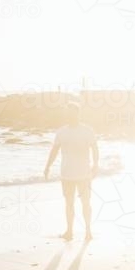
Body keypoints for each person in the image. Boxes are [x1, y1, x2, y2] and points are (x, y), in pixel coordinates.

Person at [44, 103, 99, 241]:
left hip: (84, 174)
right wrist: (47, 166)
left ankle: (88, 231)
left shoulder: (87, 130)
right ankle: (69, 231)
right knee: (69, 203)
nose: (69, 115)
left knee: (86, 203)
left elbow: (94, 148)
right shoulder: (61, 131)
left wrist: (96, 164)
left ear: (77, 113)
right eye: (67, 113)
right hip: (66, 174)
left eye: (72, 113)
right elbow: (55, 150)